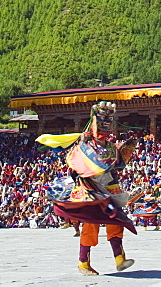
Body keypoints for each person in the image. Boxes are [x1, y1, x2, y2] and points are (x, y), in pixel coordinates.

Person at [37, 101, 137, 276]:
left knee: (117, 221)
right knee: (91, 225)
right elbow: (75, 167)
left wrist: (126, 150)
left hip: (109, 189)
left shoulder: (112, 148)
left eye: (109, 122)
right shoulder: (84, 146)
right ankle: (83, 262)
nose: (106, 126)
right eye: (102, 122)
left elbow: (117, 167)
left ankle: (120, 258)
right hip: (91, 190)